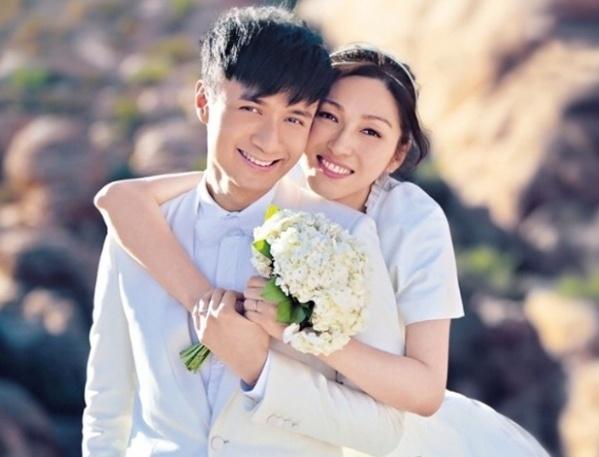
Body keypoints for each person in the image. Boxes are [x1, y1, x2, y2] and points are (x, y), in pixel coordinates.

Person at [94, 38, 552, 456]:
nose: (340, 145)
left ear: (397, 154)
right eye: (328, 117)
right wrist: (206, 307)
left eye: (370, 132)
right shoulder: (278, 175)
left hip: (392, 428)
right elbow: (140, 197)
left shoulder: (410, 221)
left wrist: (301, 331)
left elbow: (425, 390)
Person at [82, 7, 411, 457]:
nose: (269, 140)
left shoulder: (344, 235)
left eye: (294, 118)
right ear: (204, 102)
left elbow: (383, 431)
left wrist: (262, 372)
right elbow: (106, 403)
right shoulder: (139, 229)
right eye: (251, 108)